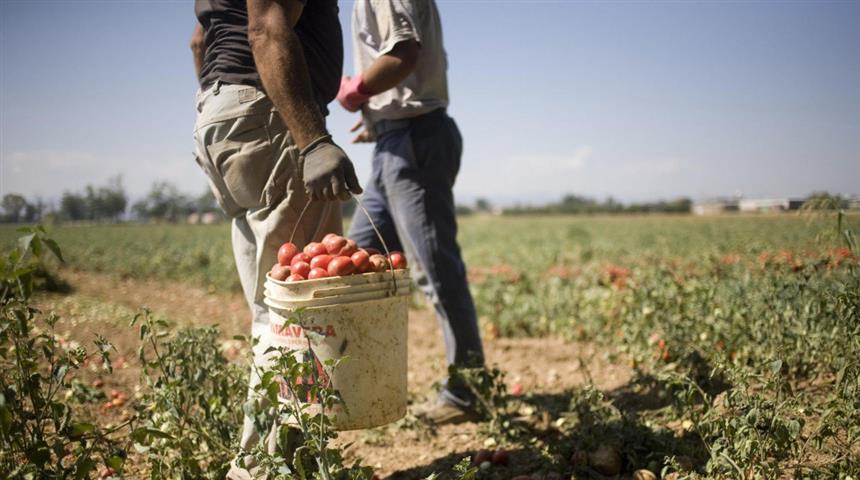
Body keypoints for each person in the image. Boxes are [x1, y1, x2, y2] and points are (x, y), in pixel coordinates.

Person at [191, 0, 361, 477]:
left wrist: (223, 106)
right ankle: (266, 469)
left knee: (275, 310)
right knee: (299, 315)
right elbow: (266, 28)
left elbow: (199, 42)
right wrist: (313, 140)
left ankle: (274, 463)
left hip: (225, 113)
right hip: (269, 114)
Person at [337, 0, 485, 425]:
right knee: (358, 264)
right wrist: (380, 120)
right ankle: (358, 385)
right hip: (396, 140)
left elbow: (403, 53)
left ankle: (468, 391)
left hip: (414, 140)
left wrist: (355, 91)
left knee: (435, 269)